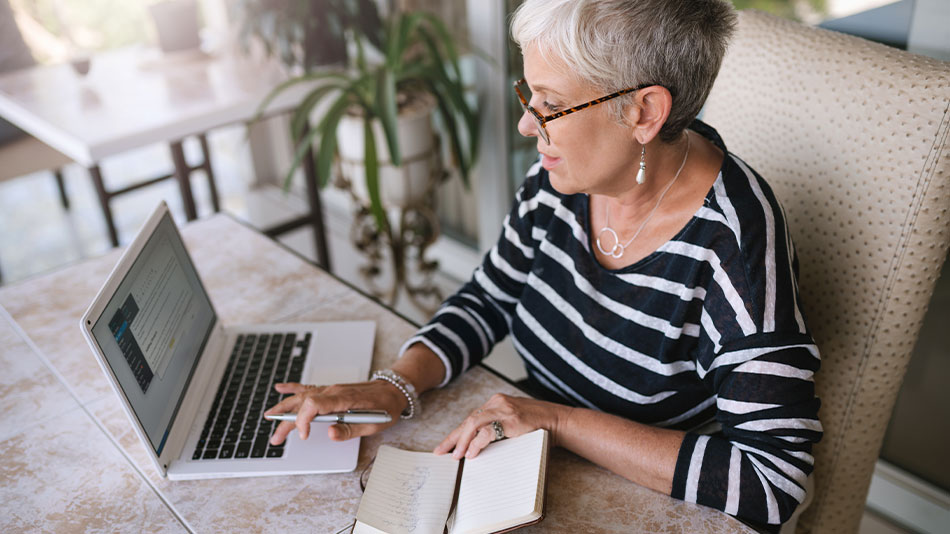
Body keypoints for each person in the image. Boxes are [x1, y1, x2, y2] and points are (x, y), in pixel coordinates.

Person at [266, 0, 822, 531]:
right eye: (528, 96)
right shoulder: (565, 179)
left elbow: (771, 481)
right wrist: (394, 388)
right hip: (529, 459)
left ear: (644, 112)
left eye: (551, 105)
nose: (527, 127)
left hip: (646, 496)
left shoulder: (734, 244)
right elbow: (489, 297)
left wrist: (558, 422)